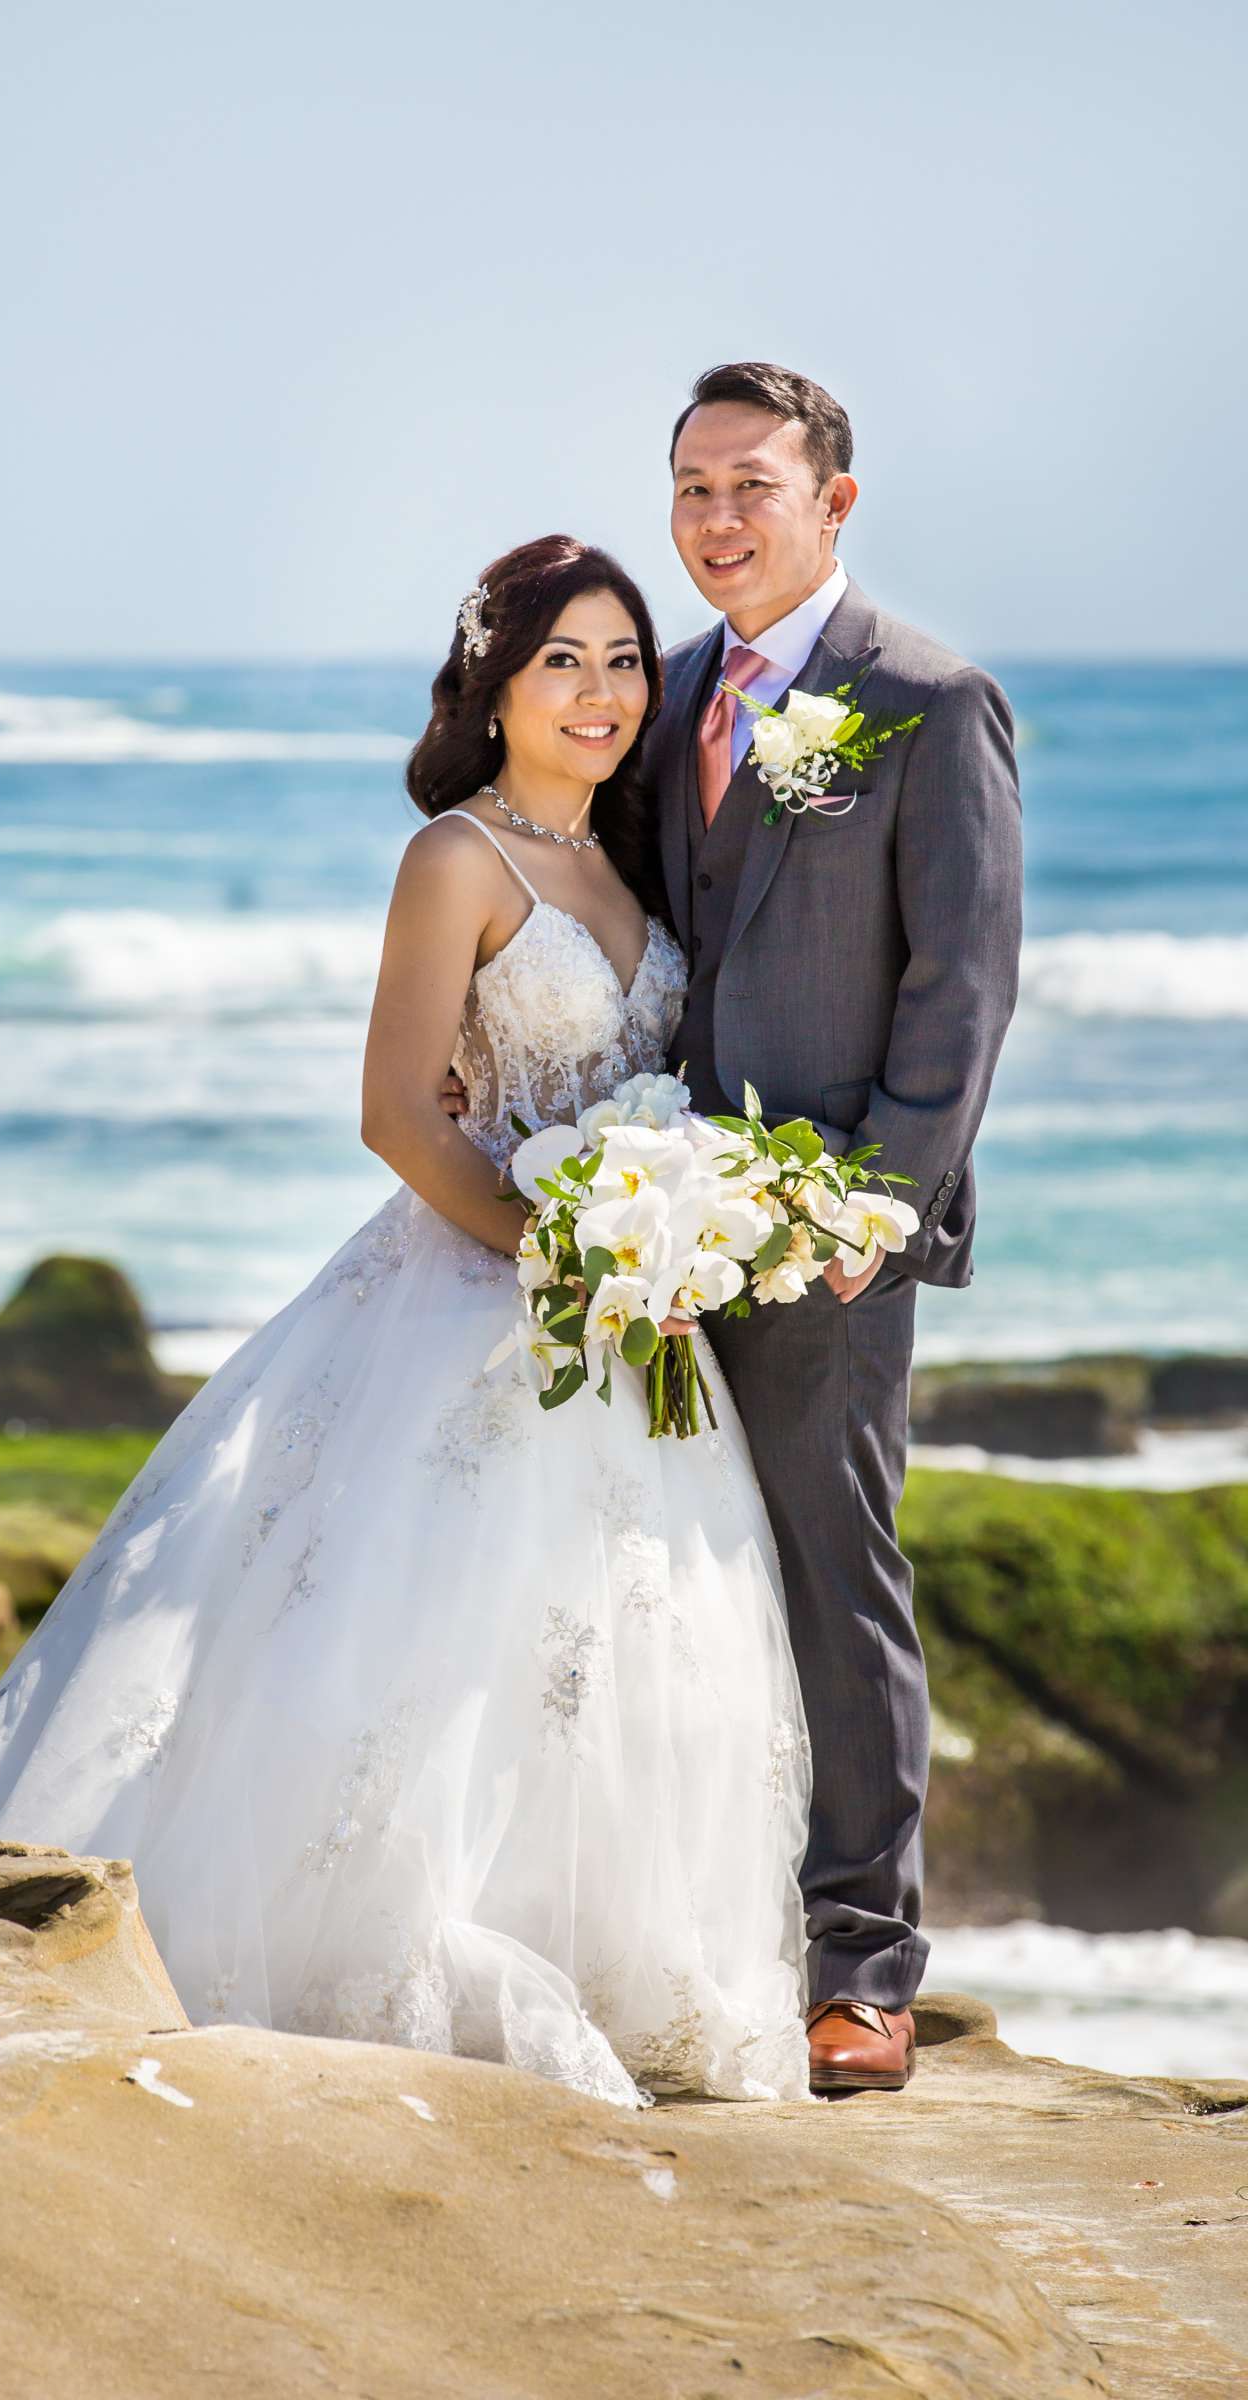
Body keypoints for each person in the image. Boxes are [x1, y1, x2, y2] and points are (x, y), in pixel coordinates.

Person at [0, 534, 816, 2111]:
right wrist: (549, 1252)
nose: (599, 691)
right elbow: (395, 1115)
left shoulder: (638, 861)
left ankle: (627, 1965)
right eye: (561, 659)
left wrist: (665, 1233)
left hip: (624, 1324)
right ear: (493, 683)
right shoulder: (455, 860)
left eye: (625, 659)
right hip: (468, 1298)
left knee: (614, 1654)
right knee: (409, 1653)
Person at [444, 366, 1023, 2094]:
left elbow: (966, 976)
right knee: (662, 1579)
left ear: (832, 502)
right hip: (656, 1225)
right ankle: (693, 1925)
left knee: (838, 1575)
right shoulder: (664, 690)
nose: (714, 518)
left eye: (749, 485)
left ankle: (863, 1966)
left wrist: (877, 1201)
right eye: (689, 487)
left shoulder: (926, 698)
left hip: (821, 1234)